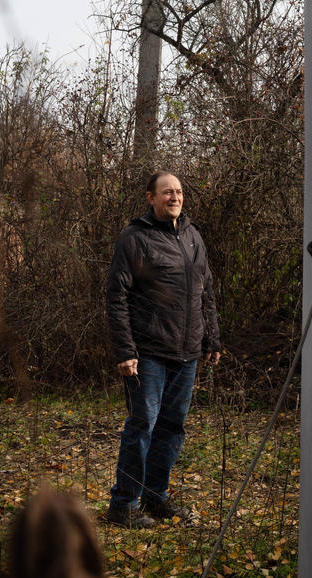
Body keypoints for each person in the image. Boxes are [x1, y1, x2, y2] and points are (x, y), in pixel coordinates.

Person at [104, 171, 222, 528]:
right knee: (143, 426)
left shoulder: (192, 236)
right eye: (167, 192)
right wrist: (125, 351)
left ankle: (156, 498)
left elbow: (207, 290)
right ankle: (123, 504)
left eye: (180, 192)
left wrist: (212, 339)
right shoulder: (135, 239)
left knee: (172, 428)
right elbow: (117, 297)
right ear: (150, 198)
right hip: (148, 353)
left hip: (186, 354)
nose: (175, 197)